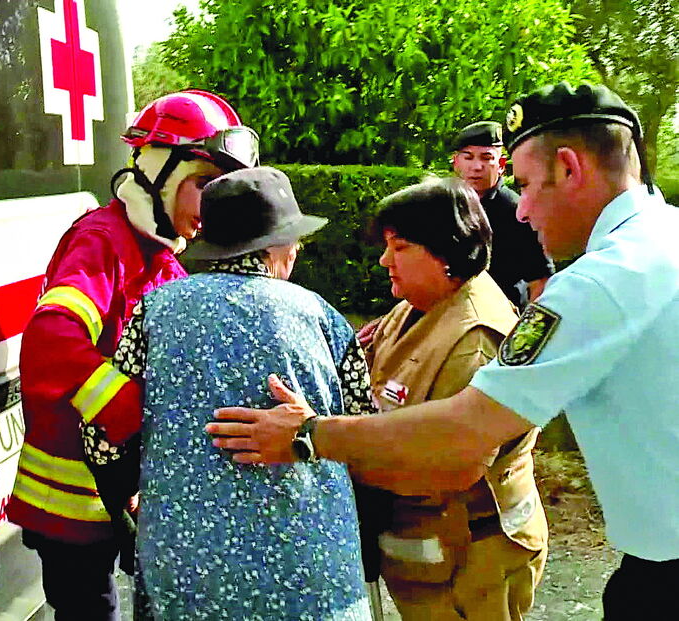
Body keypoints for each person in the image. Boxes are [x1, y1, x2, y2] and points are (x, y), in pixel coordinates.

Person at [206, 82, 679, 620]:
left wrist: (307, 436)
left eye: (523, 184)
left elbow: (463, 434)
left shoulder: (603, 280)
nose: (520, 211)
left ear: (570, 168)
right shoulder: (663, 236)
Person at [7, 90, 259, 621]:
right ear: (159, 173)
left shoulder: (161, 257)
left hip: (112, 496)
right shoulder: (103, 241)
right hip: (70, 502)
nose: (210, 207)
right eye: (204, 185)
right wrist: (133, 417)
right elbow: (52, 341)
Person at [84, 166, 375, 620]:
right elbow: (367, 439)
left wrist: (131, 501)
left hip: (186, 571)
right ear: (274, 244)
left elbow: (102, 434)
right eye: (293, 237)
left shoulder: (156, 311)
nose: (296, 249)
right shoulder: (322, 317)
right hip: (310, 571)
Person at [357, 177, 546, 620]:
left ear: (445, 253)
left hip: (472, 566)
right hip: (431, 559)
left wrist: (327, 443)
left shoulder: (475, 337)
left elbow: (454, 463)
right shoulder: (416, 304)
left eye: (400, 247)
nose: (385, 260)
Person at [452, 120, 554, 309]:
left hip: (502, 318)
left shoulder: (518, 212)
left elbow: (541, 281)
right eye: (468, 157)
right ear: (456, 162)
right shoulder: (446, 205)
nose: (476, 167)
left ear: (501, 165)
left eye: (486, 158)